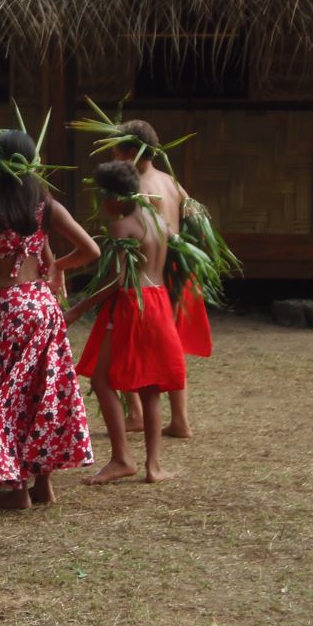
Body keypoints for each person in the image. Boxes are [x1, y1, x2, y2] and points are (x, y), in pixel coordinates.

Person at [0, 130, 100, 509]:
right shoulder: (46, 206)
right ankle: (44, 485)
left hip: (11, 308)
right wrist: (56, 266)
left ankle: (18, 490)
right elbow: (89, 249)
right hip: (44, 307)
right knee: (42, 392)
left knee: (5, 395)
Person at [70, 160, 186, 485]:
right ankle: (153, 466)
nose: (101, 205)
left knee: (103, 380)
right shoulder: (159, 221)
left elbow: (117, 282)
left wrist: (79, 308)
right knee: (151, 389)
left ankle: (122, 458)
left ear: (115, 197)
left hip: (133, 305)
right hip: (159, 302)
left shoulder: (123, 228)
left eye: (102, 197)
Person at [111, 119, 204, 439]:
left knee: (133, 340)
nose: (114, 157)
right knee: (170, 343)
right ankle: (178, 418)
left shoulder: (138, 188)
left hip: (149, 275)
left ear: (132, 151)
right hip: (177, 268)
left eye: (118, 151)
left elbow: (137, 230)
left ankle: (139, 413)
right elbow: (193, 222)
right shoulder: (172, 182)